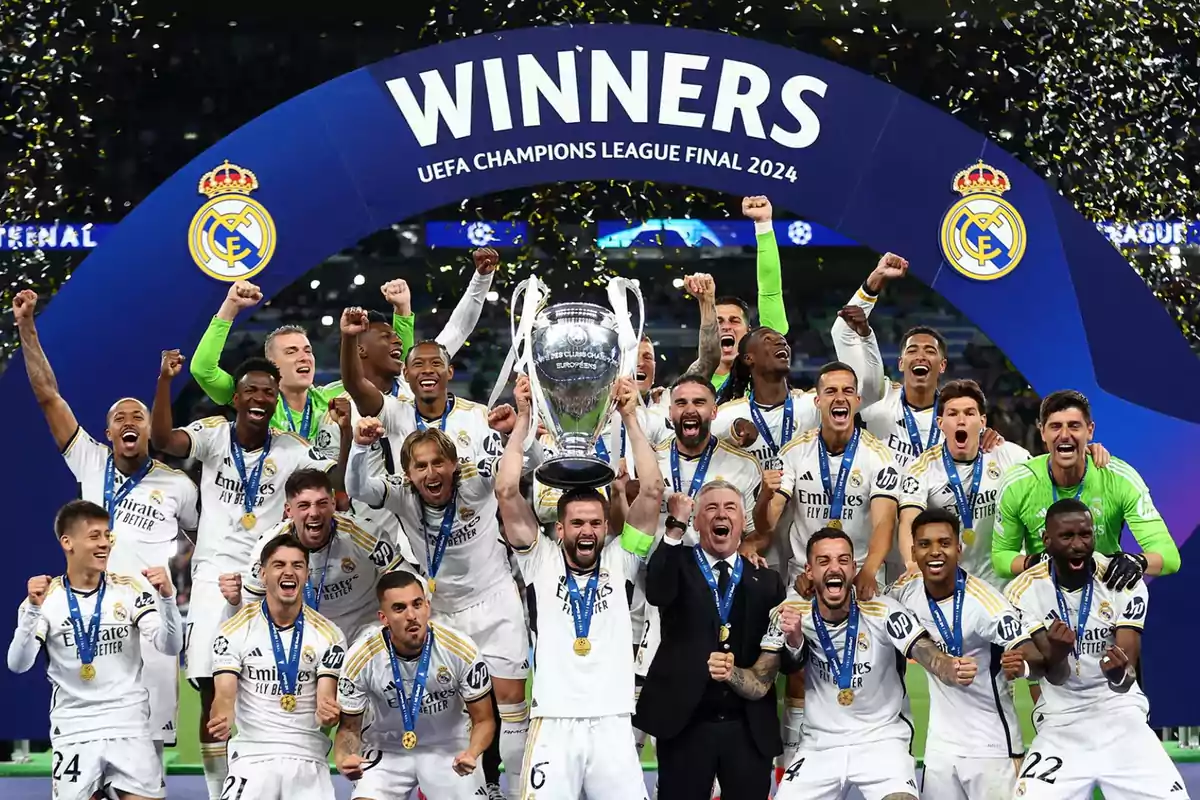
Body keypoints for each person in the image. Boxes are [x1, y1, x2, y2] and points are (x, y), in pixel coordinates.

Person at [13, 288, 198, 751]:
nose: (130, 421)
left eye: (138, 415)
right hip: (91, 612)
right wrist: (26, 326)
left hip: (151, 614)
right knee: (88, 733)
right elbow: (48, 396)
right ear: (109, 430)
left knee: (151, 743)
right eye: (121, 417)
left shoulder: (179, 485)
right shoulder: (90, 461)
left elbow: (206, 542)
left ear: (148, 430)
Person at [150, 350, 335, 800]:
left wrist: (347, 433)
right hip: (214, 578)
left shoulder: (291, 448)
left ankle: (272, 767)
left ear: (276, 400)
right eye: (251, 389)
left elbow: (333, 485)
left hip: (269, 577)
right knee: (212, 686)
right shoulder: (213, 435)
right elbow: (163, 440)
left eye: (268, 392)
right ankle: (220, 792)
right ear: (235, 398)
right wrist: (163, 383)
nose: (260, 397)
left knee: (271, 675)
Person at [347, 417, 529, 800]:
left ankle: (516, 791)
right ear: (409, 473)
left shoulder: (475, 481)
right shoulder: (402, 495)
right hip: (442, 609)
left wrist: (517, 429)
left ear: (452, 464)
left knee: (511, 702)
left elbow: (511, 471)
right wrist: (362, 448)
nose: (431, 473)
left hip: (494, 600)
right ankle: (470, 784)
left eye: (438, 463)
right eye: (420, 466)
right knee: (455, 711)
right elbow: (357, 488)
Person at [495, 373, 657, 799]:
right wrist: (524, 418)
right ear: (560, 526)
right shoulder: (538, 559)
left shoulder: (621, 559)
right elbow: (507, 490)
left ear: (607, 527)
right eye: (578, 523)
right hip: (553, 722)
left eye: (595, 523)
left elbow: (653, 491)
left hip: (613, 721)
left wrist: (631, 417)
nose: (586, 531)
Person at [765, 528, 975, 800]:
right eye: (824, 561)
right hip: (820, 745)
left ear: (854, 567)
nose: (834, 568)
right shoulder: (793, 612)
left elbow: (923, 650)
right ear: (809, 570)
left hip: (882, 741)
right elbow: (773, 667)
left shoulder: (883, 609)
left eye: (843, 560)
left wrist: (948, 666)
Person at [1002, 499, 1189, 799]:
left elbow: (1126, 674)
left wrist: (1118, 674)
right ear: (1046, 541)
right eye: (1067, 537)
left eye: (1085, 534)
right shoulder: (1022, 591)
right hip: (1060, 720)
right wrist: (1058, 653)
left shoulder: (1122, 580)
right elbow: (1053, 674)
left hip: (1120, 713)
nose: (1078, 545)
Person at [7, 499, 183, 800]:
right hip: (76, 730)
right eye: (94, 536)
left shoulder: (130, 589)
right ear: (67, 542)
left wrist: (167, 599)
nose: (105, 544)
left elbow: (170, 645)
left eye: (107, 535)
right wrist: (32, 611)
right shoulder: (46, 599)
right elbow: (18, 664)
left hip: (129, 724)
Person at [635, 480, 793, 800]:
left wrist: (795, 638)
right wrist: (676, 525)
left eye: (730, 507)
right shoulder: (677, 564)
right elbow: (656, 592)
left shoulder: (766, 580)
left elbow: (785, 662)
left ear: (742, 522)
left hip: (747, 730)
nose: (721, 514)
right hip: (685, 726)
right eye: (711, 508)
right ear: (697, 522)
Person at [888, 508, 1027, 799]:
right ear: (913, 551)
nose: (935, 552)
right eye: (925, 544)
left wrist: (1023, 664)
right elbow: (868, 607)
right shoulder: (904, 591)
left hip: (991, 748)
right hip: (939, 747)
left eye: (945, 543)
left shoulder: (988, 605)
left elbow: (1031, 653)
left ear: (959, 550)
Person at [208, 533, 347, 800]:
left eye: (297, 565)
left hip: (307, 756)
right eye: (279, 565)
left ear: (307, 573)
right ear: (262, 574)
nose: (289, 572)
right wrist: (221, 718)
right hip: (252, 755)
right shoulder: (234, 629)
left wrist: (328, 712)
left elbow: (325, 700)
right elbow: (224, 695)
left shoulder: (330, 635)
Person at [335, 570, 497, 800]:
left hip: (449, 750)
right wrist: (344, 757)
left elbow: (484, 720)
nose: (412, 615)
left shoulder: (461, 649)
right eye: (400, 608)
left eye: (417, 604)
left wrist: (472, 753)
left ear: (427, 607)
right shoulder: (361, 657)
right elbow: (349, 728)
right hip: (387, 750)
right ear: (384, 618)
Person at [992, 390, 1181, 583]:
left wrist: (1138, 561)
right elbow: (1001, 557)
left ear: (1090, 430)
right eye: (1055, 426)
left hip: (1105, 596)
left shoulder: (1120, 479)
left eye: (1074, 426)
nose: (1064, 435)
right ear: (1042, 432)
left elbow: (1169, 557)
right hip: (1044, 599)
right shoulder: (1018, 483)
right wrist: (1035, 562)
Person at [749, 362, 901, 600]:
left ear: (857, 400)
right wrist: (764, 497)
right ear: (818, 401)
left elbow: (884, 522)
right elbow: (766, 524)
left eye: (847, 391)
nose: (840, 398)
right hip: (805, 577)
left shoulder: (880, 456)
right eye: (831, 391)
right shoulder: (793, 453)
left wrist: (869, 570)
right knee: (781, 630)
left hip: (860, 573)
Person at [228, 468, 413, 642]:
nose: (314, 513)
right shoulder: (269, 547)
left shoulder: (364, 534)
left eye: (322, 503)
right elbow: (249, 607)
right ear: (288, 510)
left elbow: (412, 581)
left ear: (333, 503)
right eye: (304, 505)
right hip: (307, 633)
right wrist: (233, 602)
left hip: (366, 628)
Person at [897, 380, 1032, 588]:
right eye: (953, 414)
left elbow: (1049, 473)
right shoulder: (921, 468)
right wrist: (911, 563)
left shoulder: (1011, 456)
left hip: (1006, 583)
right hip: (950, 584)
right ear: (940, 423)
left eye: (969, 413)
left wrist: (1087, 453)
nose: (961, 421)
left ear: (982, 421)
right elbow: (908, 520)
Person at [340, 307, 503, 468]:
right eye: (418, 364)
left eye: (436, 363)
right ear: (406, 373)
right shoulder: (393, 412)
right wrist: (348, 337)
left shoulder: (478, 415)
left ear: (450, 372)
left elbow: (502, 473)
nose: (427, 370)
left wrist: (512, 431)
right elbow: (355, 383)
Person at [709, 196, 789, 394]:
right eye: (718, 321)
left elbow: (770, 290)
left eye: (734, 320)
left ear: (748, 332)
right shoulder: (695, 384)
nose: (726, 326)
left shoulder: (764, 376)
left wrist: (763, 225)